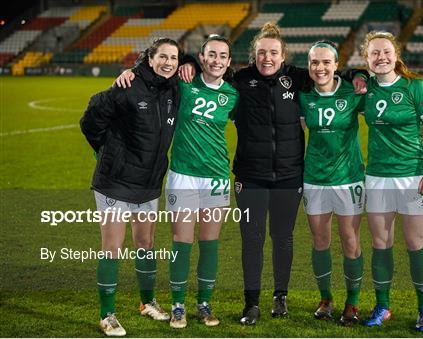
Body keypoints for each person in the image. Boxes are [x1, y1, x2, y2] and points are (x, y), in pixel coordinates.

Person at [174, 22, 366, 326]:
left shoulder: (297, 78)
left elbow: (330, 74)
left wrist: (359, 74)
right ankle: (251, 303)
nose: (267, 58)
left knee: (282, 237)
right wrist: (185, 61)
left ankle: (280, 296)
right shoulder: (240, 80)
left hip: (290, 176)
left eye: (273, 53)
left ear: (283, 55)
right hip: (250, 175)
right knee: (251, 239)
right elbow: (208, 72)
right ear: (253, 55)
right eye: (261, 53)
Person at [114, 35, 239, 329]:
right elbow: (154, 73)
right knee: (181, 242)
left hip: (217, 176)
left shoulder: (233, 95)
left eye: (223, 56)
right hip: (183, 174)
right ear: (201, 56)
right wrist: (132, 70)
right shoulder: (181, 84)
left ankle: (204, 304)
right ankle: (179, 305)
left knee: (210, 243)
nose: (216, 61)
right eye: (211, 55)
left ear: (229, 62)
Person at [80, 37, 181, 337]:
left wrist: (184, 63)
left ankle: (147, 301)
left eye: (174, 58)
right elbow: (91, 120)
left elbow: (190, 65)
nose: (169, 63)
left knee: (146, 244)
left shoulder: (173, 88)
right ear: (150, 59)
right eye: (163, 57)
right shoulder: (127, 85)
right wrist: (107, 152)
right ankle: (106, 314)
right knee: (113, 248)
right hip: (116, 181)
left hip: (149, 182)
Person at [359, 31, 423, 332]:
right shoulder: (364, 88)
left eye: (386, 52)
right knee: (381, 243)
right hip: (377, 176)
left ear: (396, 55)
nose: (381, 58)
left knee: (415, 242)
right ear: (366, 60)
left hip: (411, 175)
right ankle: (382, 306)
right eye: (374, 54)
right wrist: (355, 76)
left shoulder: (414, 87)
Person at [299, 40, 365, 326]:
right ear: (309, 66)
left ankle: (352, 302)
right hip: (314, 178)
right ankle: (326, 298)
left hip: (348, 179)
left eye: (326, 62)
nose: (320, 67)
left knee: (350, 241)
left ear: (337, 65)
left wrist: (421, 126)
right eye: (315, 62)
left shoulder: (354, 92)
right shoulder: (303, 96)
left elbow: (385, 104)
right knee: (320, 241)